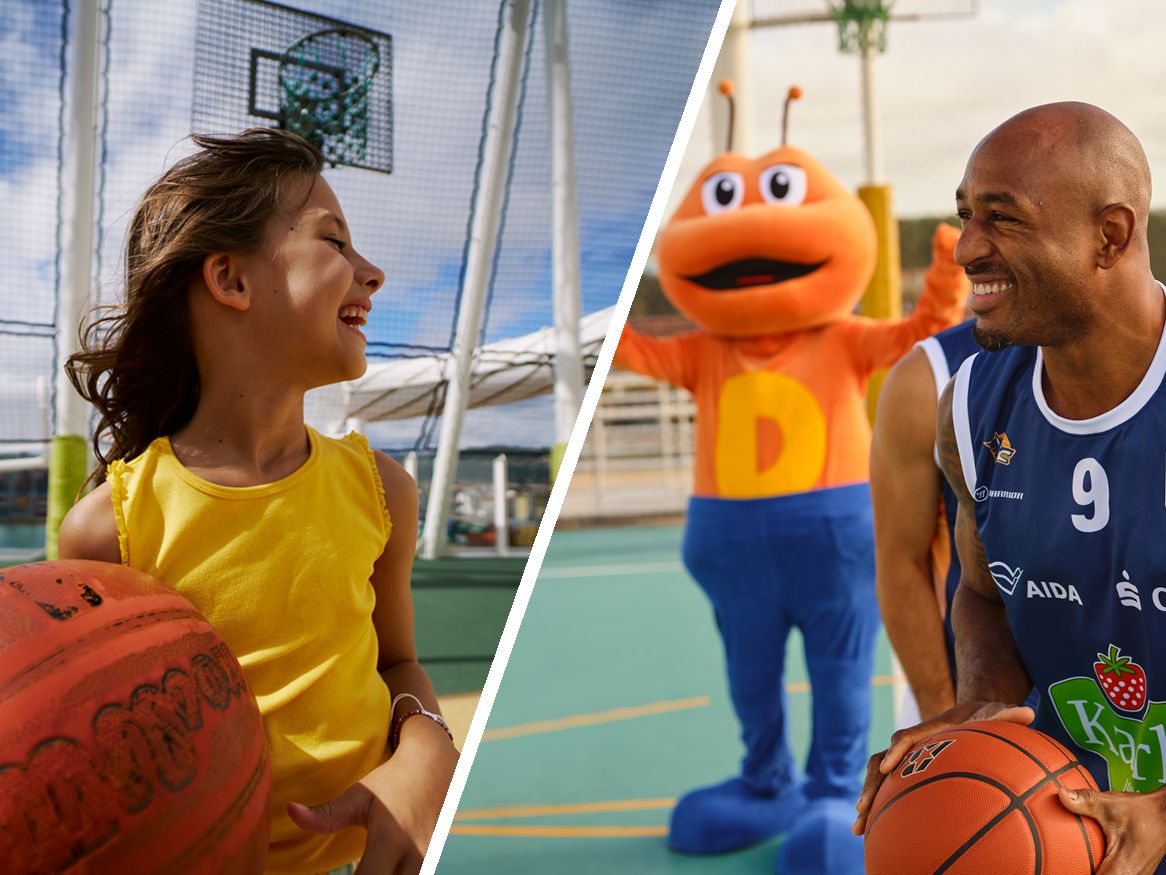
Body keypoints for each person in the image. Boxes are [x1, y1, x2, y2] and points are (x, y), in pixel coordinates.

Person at [58, 128, 458, 875]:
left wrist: (429, 751)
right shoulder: (106, 529)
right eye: (335, 240)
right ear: (231, 280)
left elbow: (398, 662)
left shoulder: (382, 489)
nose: (372, 272)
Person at [854, 102, 1166, 874]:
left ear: (1112, 235)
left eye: (1003, 218)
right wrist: (985, 710)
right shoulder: (969, 404)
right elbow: (986, 592)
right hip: (1072, 822)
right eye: (965, 215)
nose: (967, 248)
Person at [871, 317, 978, 724]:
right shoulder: (928, 377)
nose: (966, 252)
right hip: (969, 698)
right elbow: (900, 560)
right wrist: (942, 715)